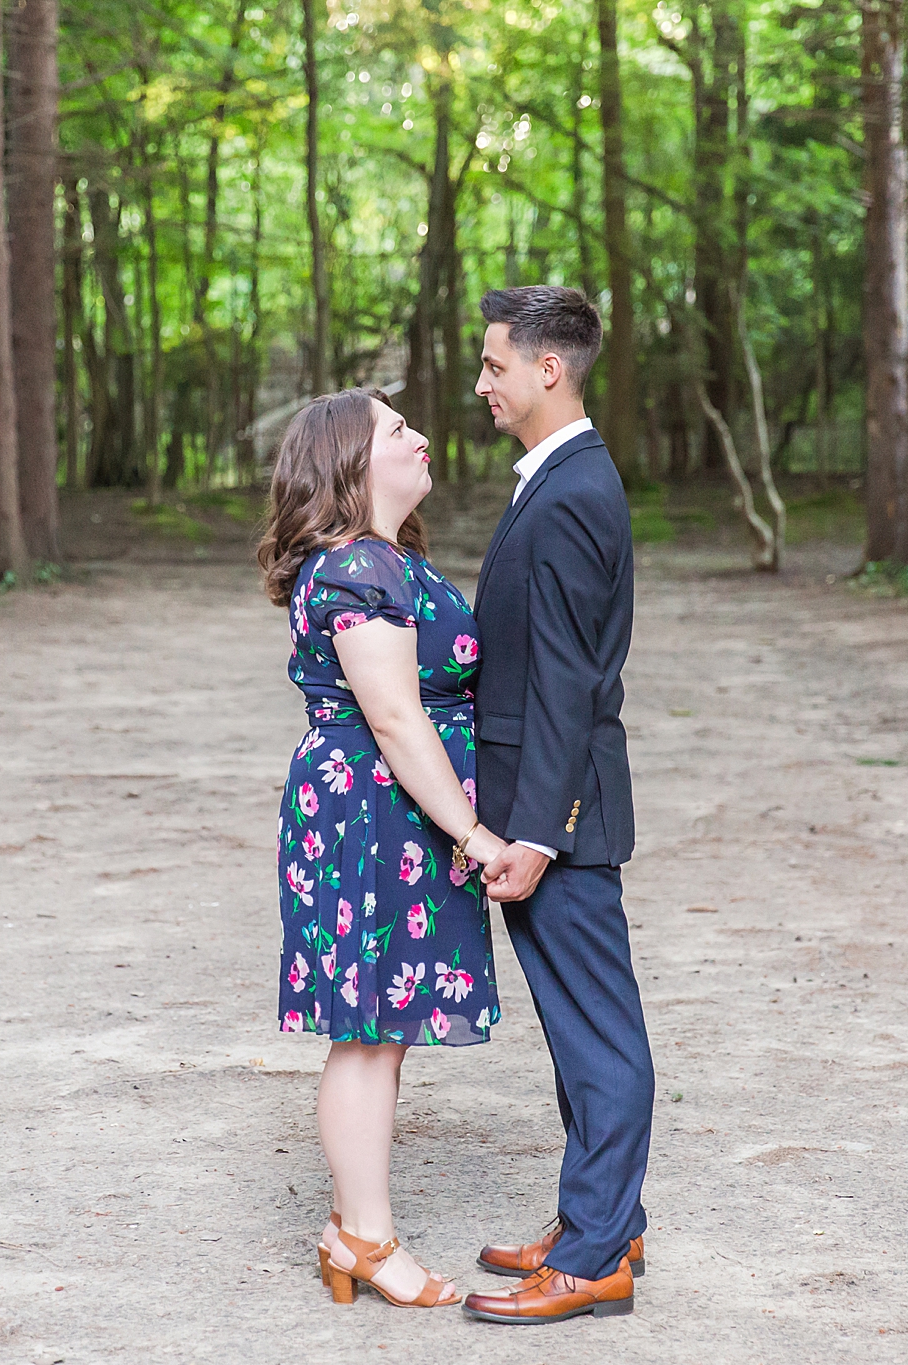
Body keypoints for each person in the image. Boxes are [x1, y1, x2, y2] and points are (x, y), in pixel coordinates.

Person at [257, 387, 510, 1310]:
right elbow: (398, 720)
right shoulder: (358, 566)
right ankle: (366, 1238)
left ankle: (347, 1229)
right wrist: (475, 835)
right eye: (398, 430)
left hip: (388, 817)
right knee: (367, 1037)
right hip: (372, 819)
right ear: (352, 463)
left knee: (378, 1036)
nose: (422, 437)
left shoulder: (390, 559)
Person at [459, 286, 655, 1326]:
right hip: (542, 810)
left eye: (493, 364)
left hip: (559, 821)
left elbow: (570, 684)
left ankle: (593, 1259)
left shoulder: (575, 490)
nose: (480, 383)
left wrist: (536, 833)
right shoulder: (557, 479)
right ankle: (599, 1217)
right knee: (577, 1032)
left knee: (598, 1036)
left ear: (547, 370)